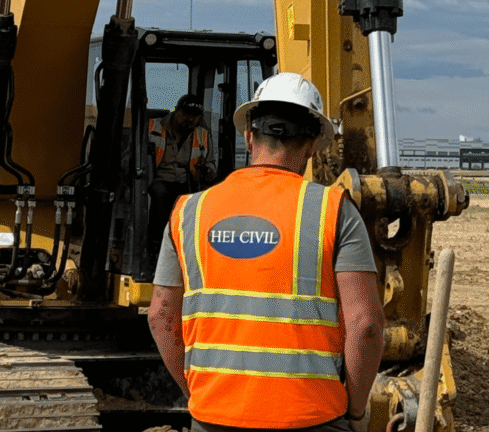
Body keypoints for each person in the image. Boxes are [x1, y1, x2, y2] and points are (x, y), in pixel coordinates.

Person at [148, 73, 385, 432]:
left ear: (248, 136)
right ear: (310, 145)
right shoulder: (333, 211)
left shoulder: (188, 213)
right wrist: (355, 413)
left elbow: (160, 316)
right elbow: (365, 325)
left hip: (214, 416)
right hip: (312, 417)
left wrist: (198, 394)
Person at [147, 94, 215, 257]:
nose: (190, 120)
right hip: (158, 180)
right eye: (186, 114)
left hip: (187, 182)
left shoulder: (202, 135)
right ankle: (157, 244)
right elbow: (132, 157)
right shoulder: (152, 127)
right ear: (176, 111)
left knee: (198, 201)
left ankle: (191, 249)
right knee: (159, 193)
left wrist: (208, 170)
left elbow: (211, 163)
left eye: (195, 117)